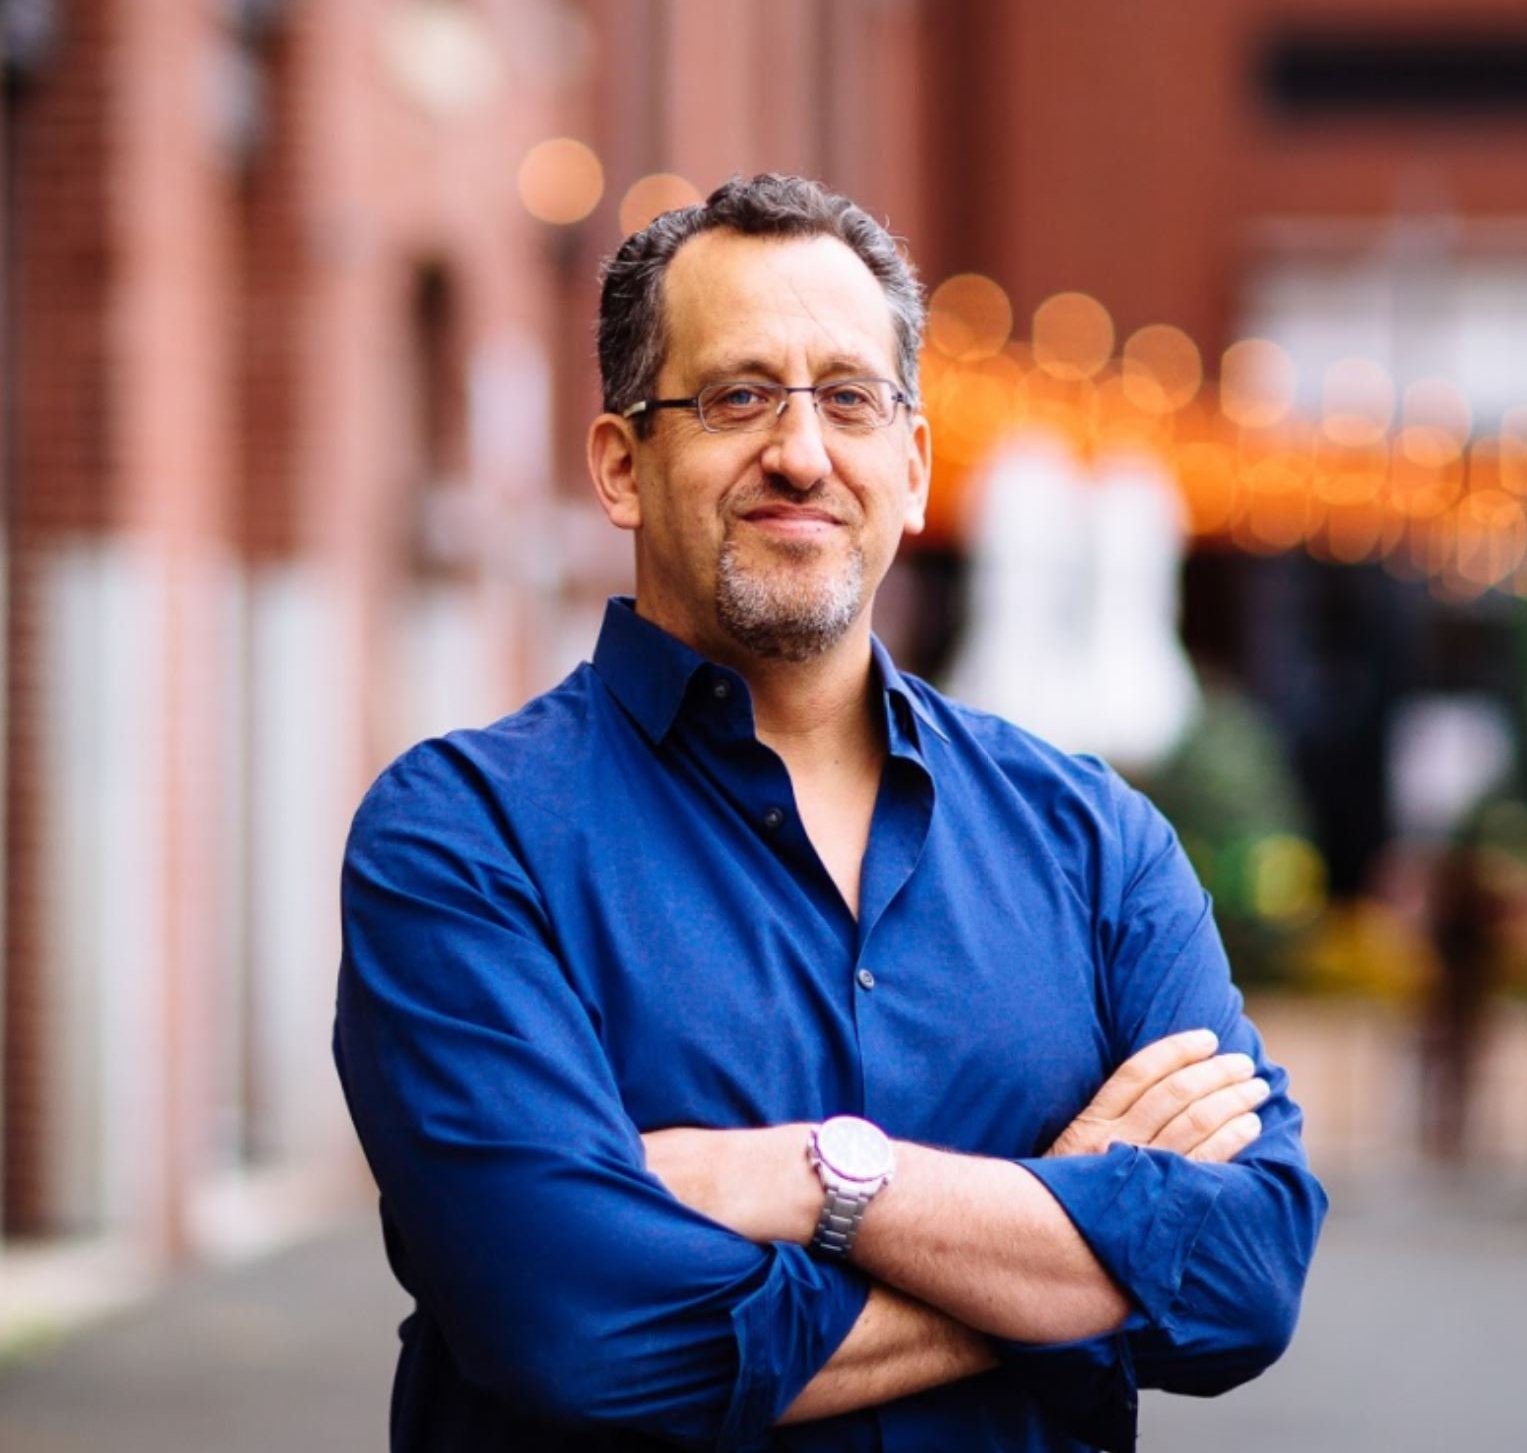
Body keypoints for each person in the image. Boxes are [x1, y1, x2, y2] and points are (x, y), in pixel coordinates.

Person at [334, 173, 1327, 1453]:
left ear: (912, 468)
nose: (801, 453)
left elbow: (1248, 1273)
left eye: (849, 399)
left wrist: (817, 1179)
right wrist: (1077, 1230)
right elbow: (586, 1336)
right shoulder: (465, 840)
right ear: (623, 465)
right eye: (738, 395)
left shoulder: (1094, 844)